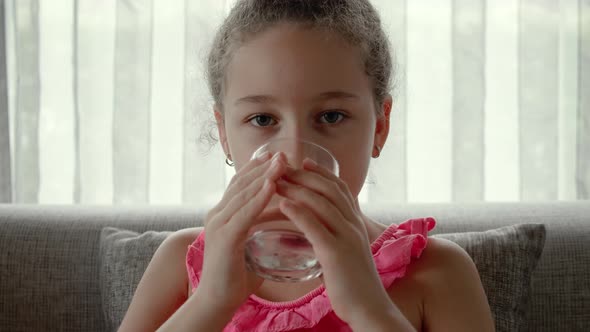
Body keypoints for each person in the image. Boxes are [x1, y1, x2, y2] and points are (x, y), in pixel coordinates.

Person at [118, 0, 495, 331]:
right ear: (225, 133)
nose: (296, 156)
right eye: (263, 120)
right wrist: (210, 302)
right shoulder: (181, 263)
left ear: (380, 126)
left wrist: (369, 309)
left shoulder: (439, 273)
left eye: (331, 116)